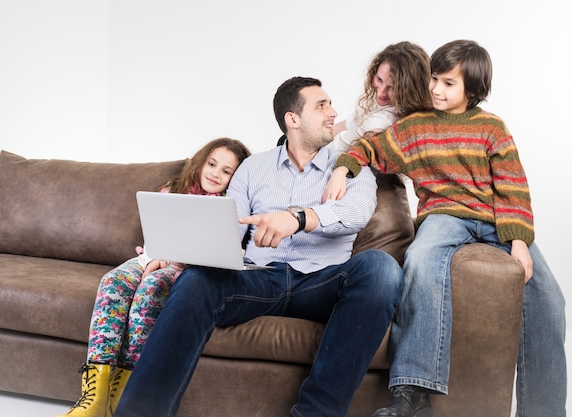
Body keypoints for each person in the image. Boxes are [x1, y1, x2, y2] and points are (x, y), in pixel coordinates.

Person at [113, 76, 404, 417]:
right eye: (321, 106)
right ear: (292, 120)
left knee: (381, 269)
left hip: (324, 281)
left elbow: (355, 213)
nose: (333, 113)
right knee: (196, 280)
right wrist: (177, 253)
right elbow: (228, 233)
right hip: (260, 277)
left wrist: (295, 219)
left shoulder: (351, 168)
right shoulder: (253, 168)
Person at [326, 40, 567, 417]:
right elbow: (370, 149)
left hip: (495, 219)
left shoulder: (492, 127)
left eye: (448, 83)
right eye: (435, 79)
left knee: (550, 299)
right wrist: (344, 166)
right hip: (444, 216)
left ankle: (544, 410)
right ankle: (413, 390)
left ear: (472, 89)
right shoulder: (414, 128)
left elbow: (512, 186)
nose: (436, 89)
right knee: (420, 260)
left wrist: (518, 241)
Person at [56, 137, 251, 417]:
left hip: (184, 269)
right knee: (113, 282)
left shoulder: (230, 207)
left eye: (226, 171)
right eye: (212, 164)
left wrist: (170, 258)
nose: (215, 173)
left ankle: (120, 394)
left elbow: (214, 253)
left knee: (151, 288)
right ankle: (94, 396)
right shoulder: (172, 190)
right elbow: (155, 237)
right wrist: (159, 254)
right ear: (201, 162)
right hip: (149, 257)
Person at [329, 41, 432, 153]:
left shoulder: (381, 122)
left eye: (392, 87)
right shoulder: (388, 103)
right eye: (379, 79)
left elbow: (335, 147)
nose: (381, 93)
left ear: (410, 89)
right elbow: (346, 125)